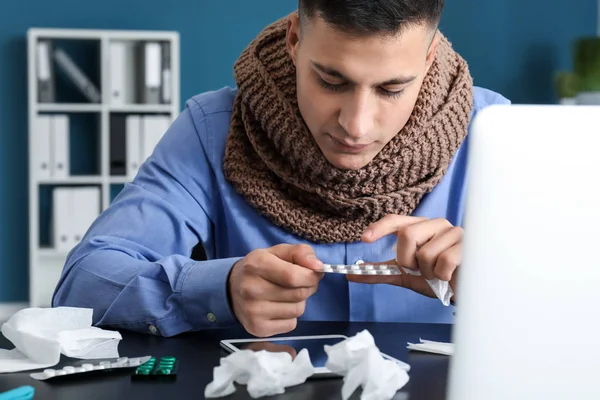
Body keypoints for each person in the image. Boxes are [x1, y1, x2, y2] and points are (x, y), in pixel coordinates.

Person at [52, 0, 509, 338]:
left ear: (428, 61)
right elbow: (84, 282)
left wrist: (493, 279)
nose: (356, 125)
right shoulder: (212, 130)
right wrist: (220, 290)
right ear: (294, 41)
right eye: (332, 81)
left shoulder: (499, 133)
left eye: (392, 88)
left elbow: (574, 309)